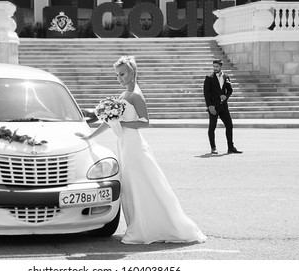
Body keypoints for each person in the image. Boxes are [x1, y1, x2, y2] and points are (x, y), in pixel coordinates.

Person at [76, 56, 207, 244]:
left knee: (141, 185)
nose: (119, 78)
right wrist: (90, 136)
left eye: (122, 74)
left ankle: (146, 228)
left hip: (135, 146)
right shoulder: (122, 96)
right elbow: (109, 122)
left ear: (132, 73)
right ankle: (136, 225)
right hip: (123, 145)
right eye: (116, 75)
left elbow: (146, 122)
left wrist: (124, 123)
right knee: (129, 186)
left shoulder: (136, 95)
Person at [203, 59, 242, 154]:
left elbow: (230, 90)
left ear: (221, 67)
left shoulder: (226, 77)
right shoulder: (209, 77)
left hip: (223, 106)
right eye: (214, 66)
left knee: (229, 125)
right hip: (213, 107)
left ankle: (230, 147)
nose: (215, 68)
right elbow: (206, 93)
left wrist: (226, 96)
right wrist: (209, 106)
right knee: (212, 127)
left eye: (217, 66)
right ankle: (213, 147)